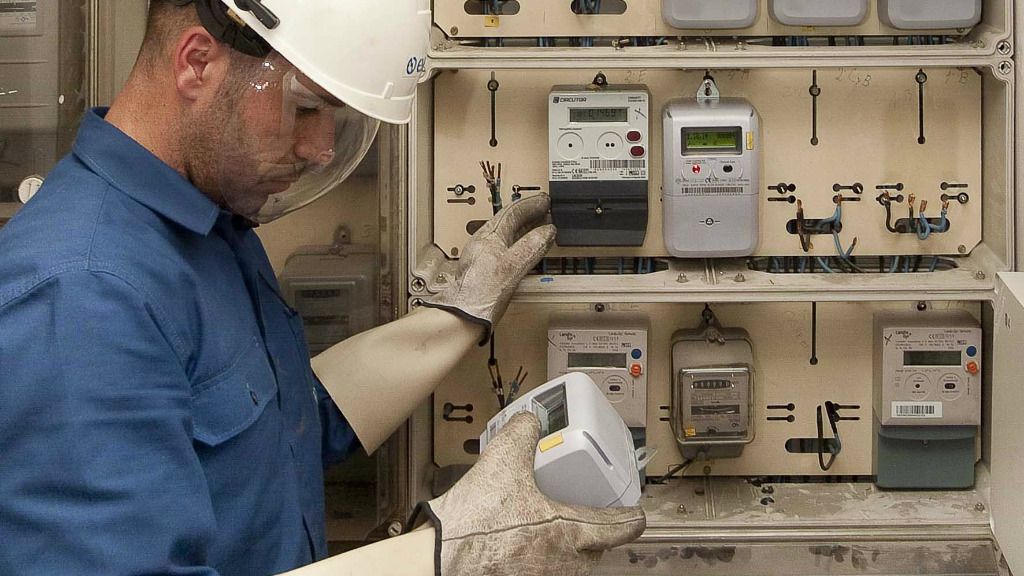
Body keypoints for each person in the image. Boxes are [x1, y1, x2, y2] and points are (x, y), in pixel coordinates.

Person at [0, 1, 646, 575]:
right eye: (306, 108)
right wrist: (443, 556)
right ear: (197, 63)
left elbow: (286, 425)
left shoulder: (204, 224)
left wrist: (457, 313)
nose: (321, 149)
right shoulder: (83, 293)